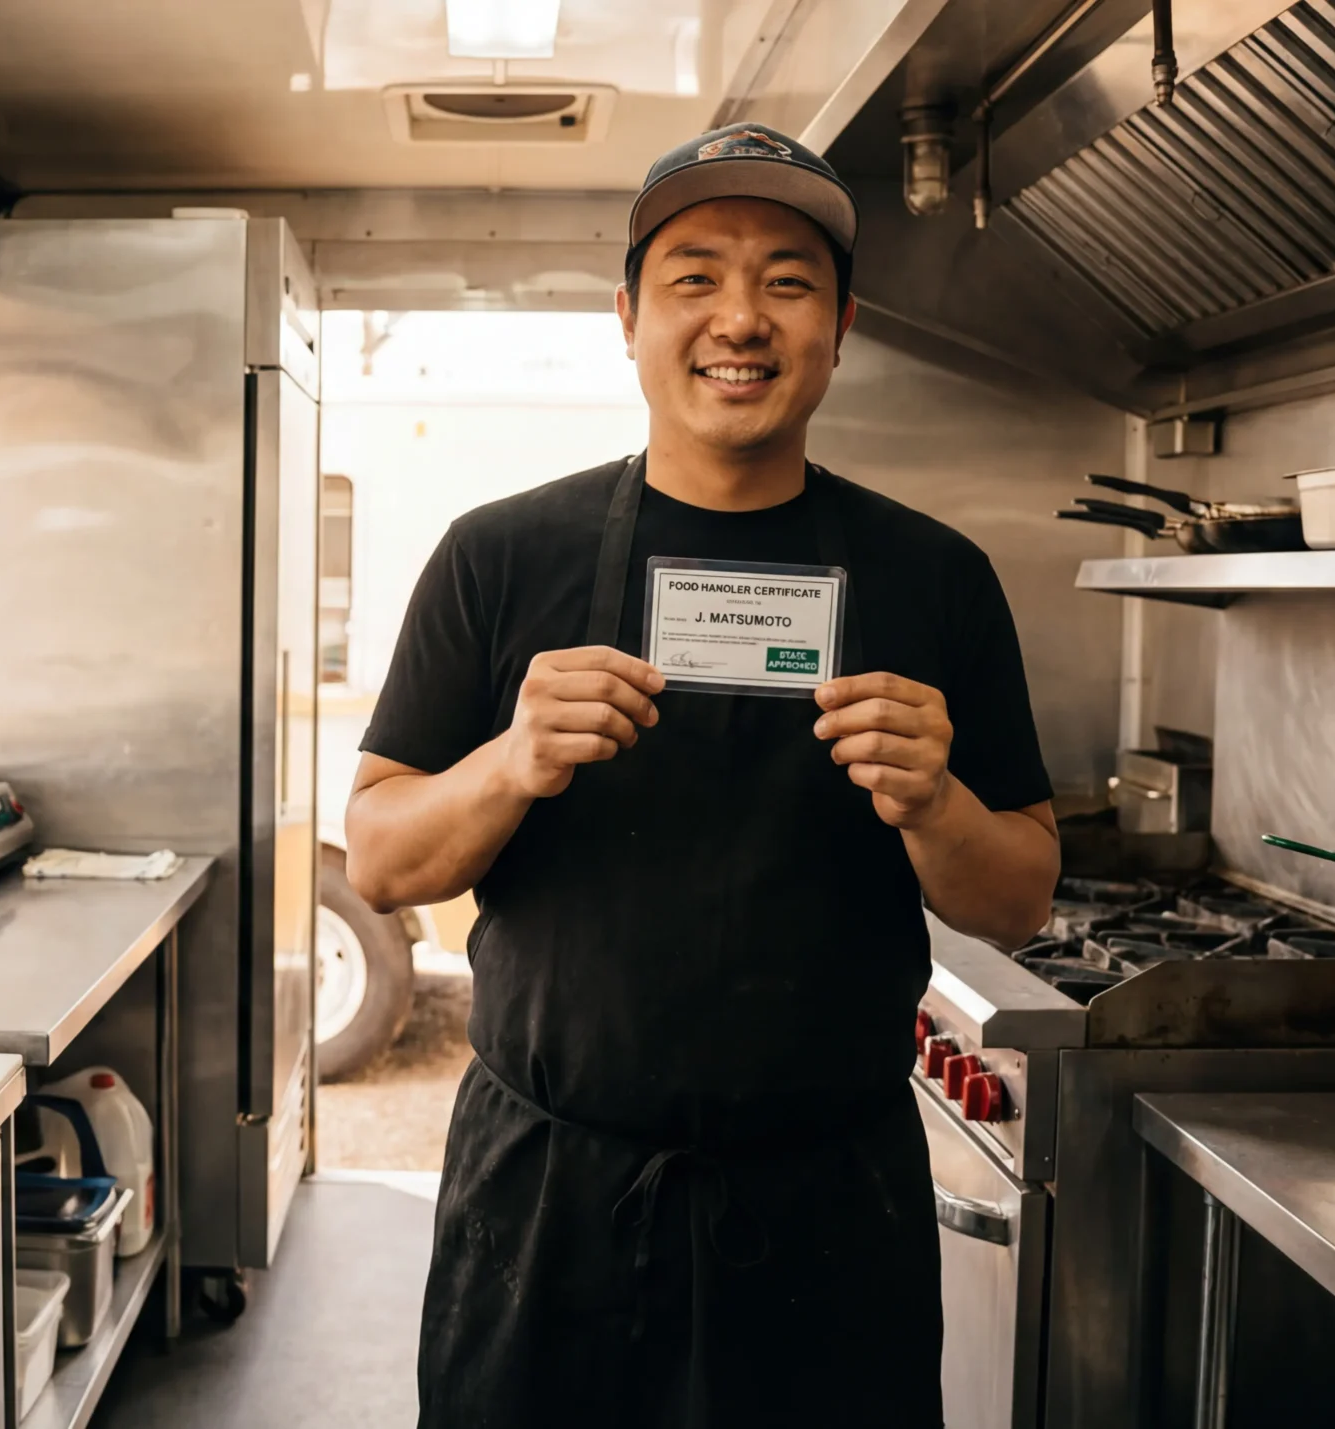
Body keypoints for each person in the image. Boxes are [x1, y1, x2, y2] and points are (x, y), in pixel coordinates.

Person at [344, 122, 1062, 1426]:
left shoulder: (935, 576)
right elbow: (385, 856)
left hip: (831, 1212)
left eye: (787, 280)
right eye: (695, 276)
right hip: (548, 1204)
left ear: (841, 325)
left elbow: (1018, 896)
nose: (741, 317)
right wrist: (512, 760)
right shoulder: (497, 557)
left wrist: (933, 802)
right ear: (627, 317)